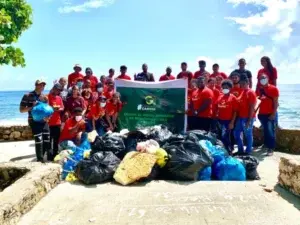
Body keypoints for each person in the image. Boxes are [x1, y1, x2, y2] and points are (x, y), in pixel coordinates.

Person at [19, 80, 49, 163]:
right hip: (33, 120)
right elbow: (21, 110)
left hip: (43, 121)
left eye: (43, 85)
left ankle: (43, 157)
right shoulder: (27, 95)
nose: (42, 86)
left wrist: (47, 117)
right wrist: (32, 107)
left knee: (46, 139)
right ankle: (40, 160)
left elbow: (46, 110)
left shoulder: (44, 97)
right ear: (36, 85)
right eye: (40, 85)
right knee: (39, 140)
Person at [256, 74, 279, 156]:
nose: (262, 79)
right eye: (260, 78)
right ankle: (265, 144)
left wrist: (273, 114)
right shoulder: (259, 89)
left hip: (270, 113)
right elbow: (257, 102)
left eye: (264, 78)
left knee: (270, 131)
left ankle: (271, 148)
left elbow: (276, 103)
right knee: (265, 130)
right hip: (261, 114)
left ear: (268, 78)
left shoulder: (273, 89)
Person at [234, 75, 257, 155]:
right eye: (241, 83)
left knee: (248, 134)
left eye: (244, 83)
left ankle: (248, 151)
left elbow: (252, 107)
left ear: (248, 83)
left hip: (247, 118)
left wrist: (249, 120)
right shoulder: (243, 92)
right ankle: (240, 150)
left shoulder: (251, 93)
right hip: (240, 117)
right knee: (236, 133)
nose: (242, 85)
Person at [216, 80, 238, 154]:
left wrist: (232, 123)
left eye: (227, 87)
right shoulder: (220, 96)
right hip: (220, 120)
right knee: (221, 136)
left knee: (226, 136)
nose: (225, 88)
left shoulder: (233, 98)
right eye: (223, 87)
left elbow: (235, 111)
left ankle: (229, 151)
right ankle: (223, 150)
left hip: (228, 121)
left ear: (230, 88)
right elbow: (217, 106)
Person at [48, 83, 64, 161]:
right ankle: (49, 155)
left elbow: (62, 107)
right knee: (49, 140)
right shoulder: (47, 97)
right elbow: (45, 107)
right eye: (56, 89)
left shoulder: (59, 98)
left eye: (59, 90)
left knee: (56, 140)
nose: (57, 91)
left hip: (57, 122)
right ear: (53, 88)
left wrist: (59, 109)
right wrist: (52, 109)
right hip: (49, 122)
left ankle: (55, 155)